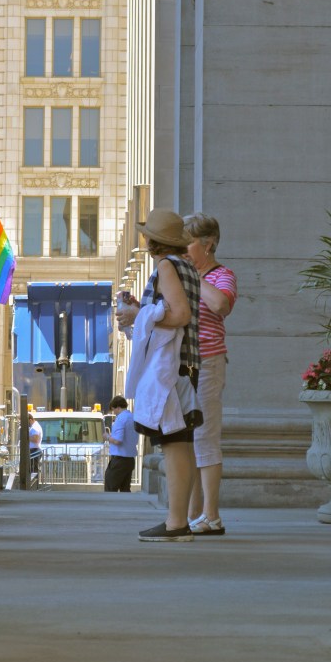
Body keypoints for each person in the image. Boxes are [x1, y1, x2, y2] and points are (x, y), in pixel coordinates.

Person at [117, 208, 201, 542]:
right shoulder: (187, 266)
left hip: (171, 368)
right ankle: (180, 519)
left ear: (152, 241)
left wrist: (137, 315)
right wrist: (142, 311)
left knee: (173, 443)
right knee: (182, 443)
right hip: (186, 364)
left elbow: (179, 314)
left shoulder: (166, 266)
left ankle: (176, 522)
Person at [183, 213, 237, 535]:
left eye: (188, 242)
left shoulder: (222, 275)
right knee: (188, 439)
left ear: (208, 244)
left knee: (205, 436)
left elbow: (221, 305)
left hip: (208, 362)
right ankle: (193, 514)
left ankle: (212, 515)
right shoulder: (185, 275)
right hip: (185, 364)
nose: (183, 249)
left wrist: (194, 277)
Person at [104, 395, 137, 492]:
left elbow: (118, 440)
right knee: (125, 489)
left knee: (110, 487)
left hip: (119, 459)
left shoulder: (120, 419)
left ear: (118, 407)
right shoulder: (133, 417)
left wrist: (107, 437)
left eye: (113, 409)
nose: (113, 412)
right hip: (130, 459)